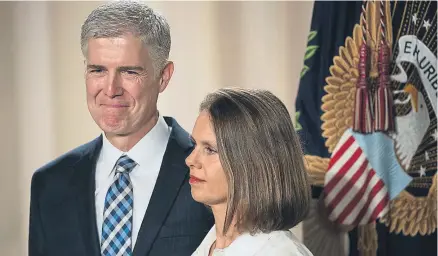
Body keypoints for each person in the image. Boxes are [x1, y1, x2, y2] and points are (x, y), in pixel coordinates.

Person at [28, 1, 214, 256]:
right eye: (98, 70)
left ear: (164, 77)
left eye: (129, 72)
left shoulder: (215, 173)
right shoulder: (50, 184)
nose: (111, 89)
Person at [186, 88, 314, 256]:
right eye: (194, 145)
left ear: (253, 162)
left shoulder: (278, 252)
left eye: (210, 149)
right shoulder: (211, 245)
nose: (190, 160)